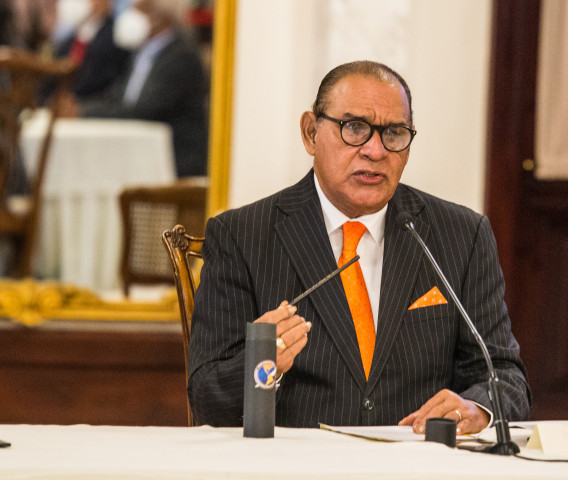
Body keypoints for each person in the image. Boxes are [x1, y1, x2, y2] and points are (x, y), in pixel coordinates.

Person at [188, 60, 531, 434]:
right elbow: (205, 397)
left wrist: (476, 408)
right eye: (354, 128)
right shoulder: (242, 236)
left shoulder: (461, 235)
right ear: (310, 133)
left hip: (418, 460)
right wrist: (261, 364)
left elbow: (504, 376)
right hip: (294, 461)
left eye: (394, 133)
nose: (375, 150)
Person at [65, 0, 208, 178]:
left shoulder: (181, 57)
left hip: (176, 163)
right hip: (142, 155)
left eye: (141, 10)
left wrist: (84, 112)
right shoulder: (142, 52)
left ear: (162, 17)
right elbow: (117, 95)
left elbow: (144, 109)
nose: (132, 17)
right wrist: (79, 105)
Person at [51, 0, 131, 101]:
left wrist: (73, 100)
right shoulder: (74, 34)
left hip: (88, 101)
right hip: (59, 98)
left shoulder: (114, 37)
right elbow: (56, 66)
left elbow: (103, 78)